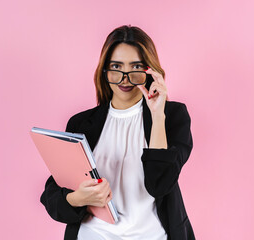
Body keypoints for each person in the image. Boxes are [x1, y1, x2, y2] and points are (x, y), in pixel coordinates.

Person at [40, 25, 195, 240]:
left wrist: (158, 115)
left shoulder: (173, 116)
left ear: (149, 70)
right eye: (116, 66)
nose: (125, 77)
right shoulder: (81, 123)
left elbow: (160, 184)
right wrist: (78, 198)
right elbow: (53, 195)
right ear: (105, 70)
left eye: (135, 67)